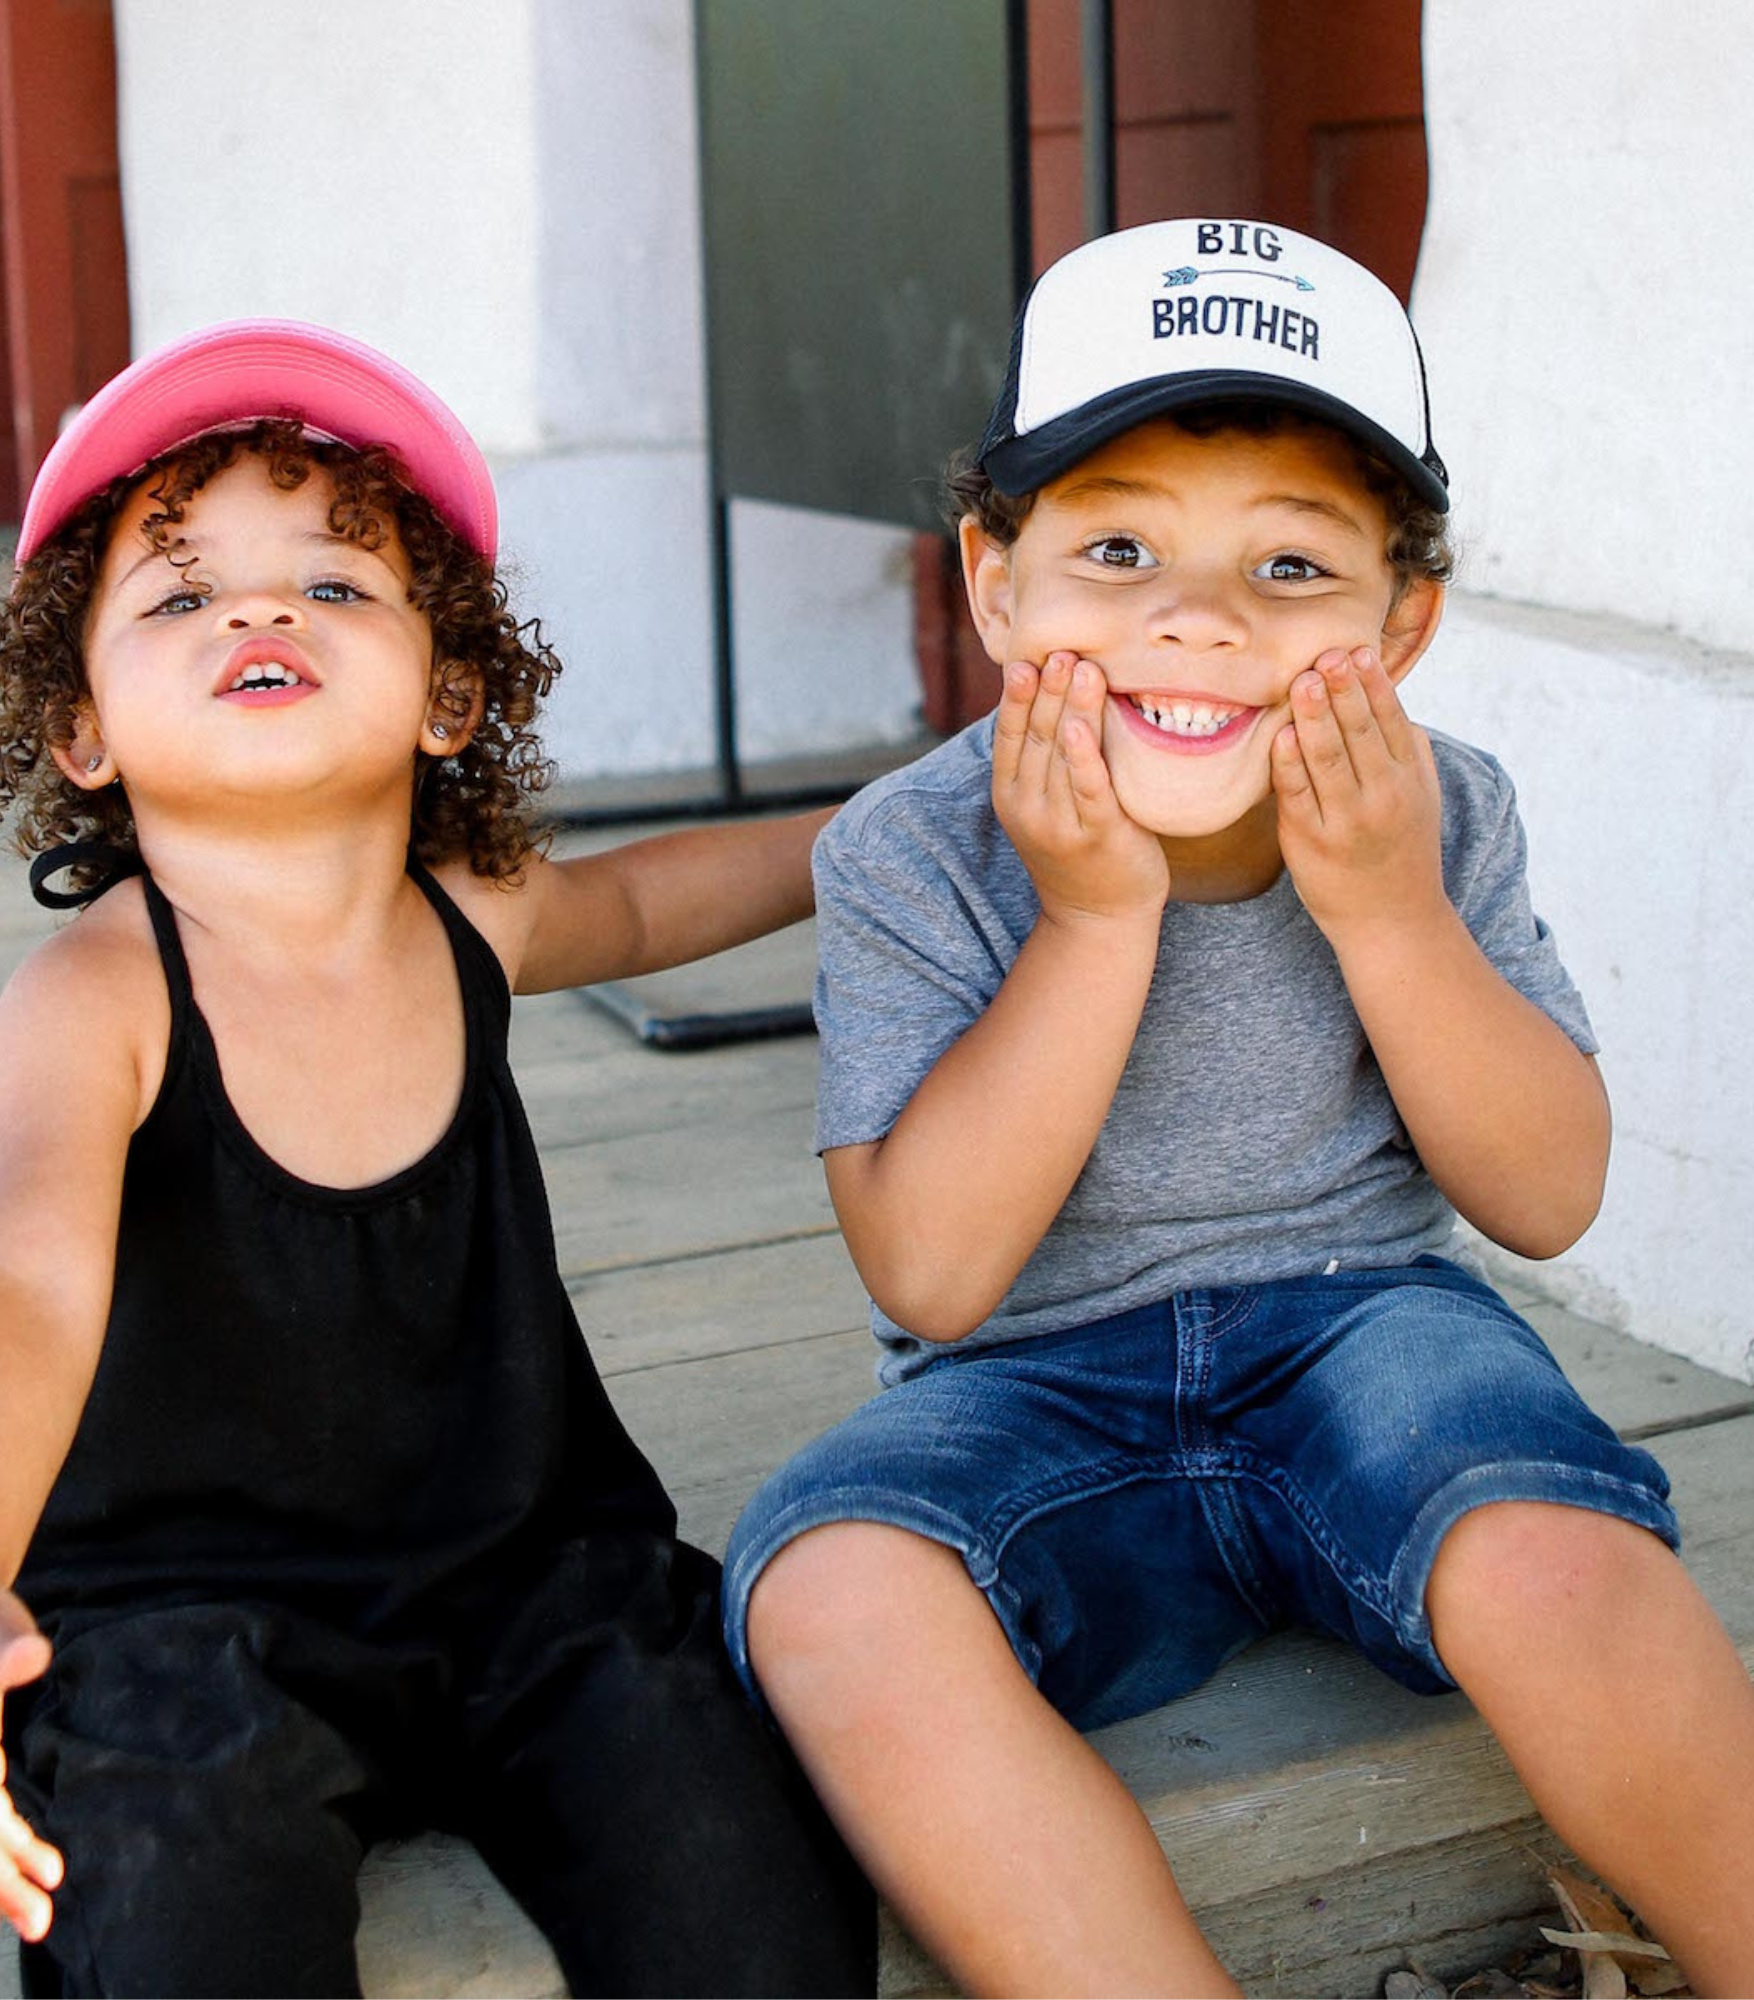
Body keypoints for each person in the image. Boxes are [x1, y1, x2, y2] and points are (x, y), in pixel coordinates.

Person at [722, 219, 1754, 1996]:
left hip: (1373, 1333)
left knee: (1556, 1533)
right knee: (827, 1590)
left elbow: (1548, 1195)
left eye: (1292, 569)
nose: (1196, 619)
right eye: (1116, 546)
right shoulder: (909, 849)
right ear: (995, 584)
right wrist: (1095, 914)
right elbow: (935, 1277)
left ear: (1401, 623)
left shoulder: (1443, 814)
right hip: (1019, 1383)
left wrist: (1390, 911)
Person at [0, 318, 875, 1999]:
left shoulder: (468, 912)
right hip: (189, 1621)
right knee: (179, 1895)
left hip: (532, 1576)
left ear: (450, 695)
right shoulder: (96, 998)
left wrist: (899, 824)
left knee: (736, 1856)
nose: (260, 613)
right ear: (81, 731)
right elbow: (20, 1290)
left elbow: (650, 898)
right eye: (181, 597)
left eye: (335, 587)